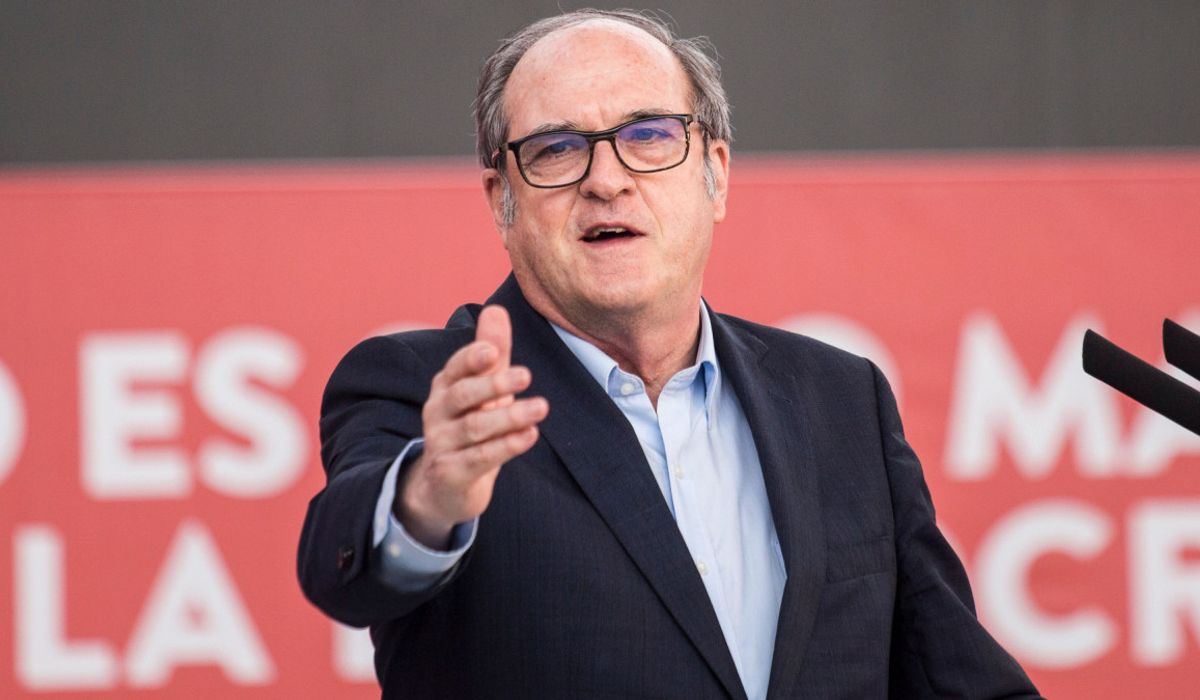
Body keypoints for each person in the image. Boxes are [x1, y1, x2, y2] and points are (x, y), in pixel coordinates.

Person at [298, 9, 1041, 699]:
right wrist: (428, 496)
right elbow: (343, 569)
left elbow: (954, 675)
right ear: (502, 201)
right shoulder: (424, 391)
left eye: (649, 135)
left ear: (716, 173)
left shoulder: (841, 399)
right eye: (556, 149)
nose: (606, 180)